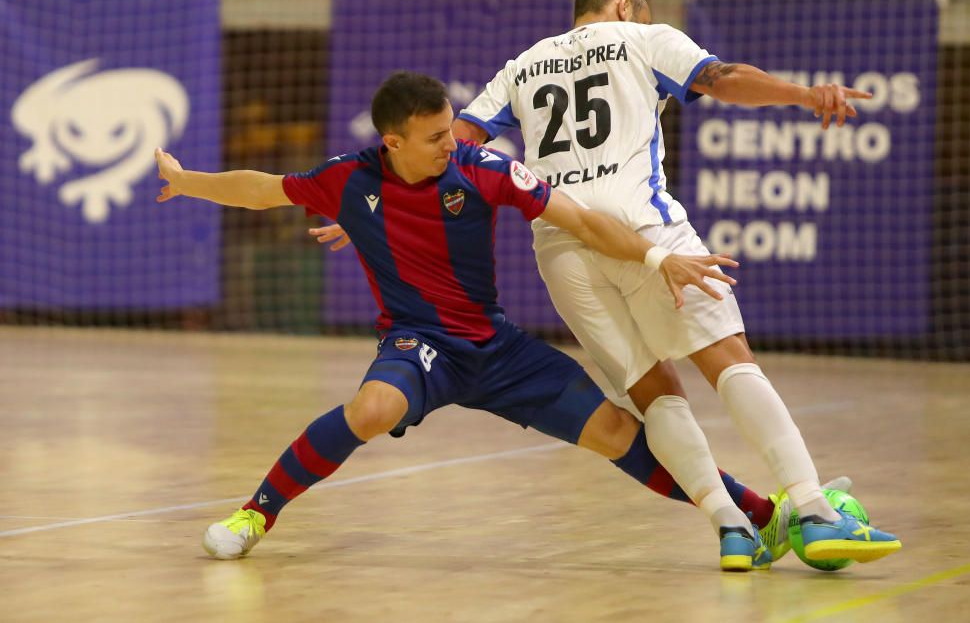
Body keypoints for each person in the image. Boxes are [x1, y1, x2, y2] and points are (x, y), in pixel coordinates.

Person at [156, 71, 781, 571]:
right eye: (434, 138)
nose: (450, 144)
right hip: (419, 344)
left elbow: (583, 220)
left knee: (618, 432)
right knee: (372, 410)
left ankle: (757, 512)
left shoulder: (483, 169)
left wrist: (657, 255)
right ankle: (254, 515)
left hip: (496, 348)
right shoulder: (349, 179)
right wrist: (187, 182)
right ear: (392, 142)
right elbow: (261, 188)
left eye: (449, 131)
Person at [450, 0, 900, 564]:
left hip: (560, 244)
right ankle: (815, 513)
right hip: (642, 229)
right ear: (625, 5)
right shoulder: (643, 37)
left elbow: (457, 139)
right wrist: (803, 94)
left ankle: (732, 530)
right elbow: (724, 79)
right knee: (728, 360)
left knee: (652, 392)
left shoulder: (523, 65)